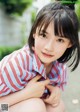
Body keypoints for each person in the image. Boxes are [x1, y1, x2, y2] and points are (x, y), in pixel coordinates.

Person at [0, 1, 80, 112]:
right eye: (43, 35)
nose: (49, 47)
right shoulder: (14, 65)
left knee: (57, 106)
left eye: (60, 40)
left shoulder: (59, 68)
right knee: (35, 106)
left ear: (70, 43)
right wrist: (25, 94)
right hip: (4, 107)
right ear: (34, 33)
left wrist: (56, 92)